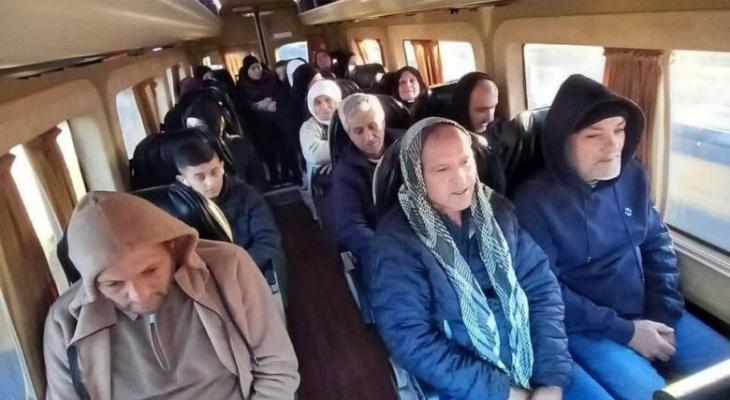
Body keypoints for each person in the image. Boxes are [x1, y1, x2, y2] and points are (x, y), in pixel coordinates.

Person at [512, 74, 730, 400]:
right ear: (561, 143)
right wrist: (628, 332)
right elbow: (546, 291)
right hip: (589, 327)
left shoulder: (633, 176)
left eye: (619, 129)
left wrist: (660, 312)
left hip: (651, 308)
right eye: (593, 135)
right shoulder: (532, 203)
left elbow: (656, 243)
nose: (613, 145)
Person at [365, 117, 613, 400]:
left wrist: (552, 379)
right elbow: (411, 338)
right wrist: (507, 393)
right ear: (417, 176)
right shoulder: (394, 243)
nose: (461, 179)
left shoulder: (497, 210)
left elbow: (541, 289)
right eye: (442, 169)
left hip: (533, 361)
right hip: (460, 384)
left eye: (465, 162)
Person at [44, 191, 299, 399]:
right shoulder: (65, 322)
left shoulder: (229, 268)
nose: (140, 294)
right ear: (92, 284)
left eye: (151, 270)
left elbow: (276, 366)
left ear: (174, 248)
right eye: (114, 284)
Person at [174, 140, 283, 272]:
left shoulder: (246, 194)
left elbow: (268, 239)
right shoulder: (175, 207)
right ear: (184, 180)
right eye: (200, 177)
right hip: (205, 274)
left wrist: (235, 269)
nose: (211, 183)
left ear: (222, 167)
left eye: (214, 172)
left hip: (247, 267)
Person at [332, 93, 392, 262]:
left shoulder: (409, 146)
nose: (369, 137)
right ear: (349, 134)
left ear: (383, 122)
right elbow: (351, 227)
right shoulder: (345, 172)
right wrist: (389, 254)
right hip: (381, 248)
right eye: (358, 131)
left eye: (373, 126)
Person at [300, 80, 342, 217]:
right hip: (321, 182)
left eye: (328, 100)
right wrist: (343, 149)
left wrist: (336, 160)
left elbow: (362, 144)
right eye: (317, 102)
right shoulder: (308, 127)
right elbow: (314, 155)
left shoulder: (347, 119)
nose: (324, 106)